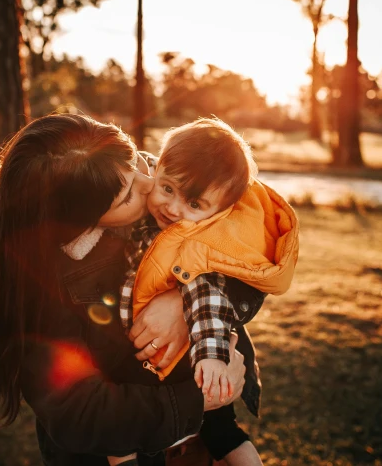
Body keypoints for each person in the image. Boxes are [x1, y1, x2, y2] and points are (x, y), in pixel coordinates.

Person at [0, 113, 266, 465]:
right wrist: (198, 400)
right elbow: (79, 414)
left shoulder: (135, 176)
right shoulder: (34, 292)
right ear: (80, 222)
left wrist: (181, 302)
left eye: (137, 164)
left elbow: (251, 258)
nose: (148, 184)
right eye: (128, 194)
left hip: (195, 444)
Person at [109, 117, 299, 466]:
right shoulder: (151, 209)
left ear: (220, 212)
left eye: (194, 205)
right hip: (148, 349)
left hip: (190, 358)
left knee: (212, 430)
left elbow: (208, 298)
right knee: (215, 430)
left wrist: (211, 356)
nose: (173, 208)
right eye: (166, 188)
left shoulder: (197, 244)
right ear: (158, 167)